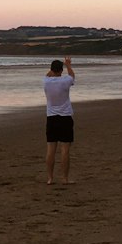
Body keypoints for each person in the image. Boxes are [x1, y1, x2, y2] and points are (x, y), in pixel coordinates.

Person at [43, 56, 75, 185]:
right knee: (65, 150)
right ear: (61, 70)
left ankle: (50, 178)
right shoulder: (65, 80)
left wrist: (55, 69)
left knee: (51, 150)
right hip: (65, 117)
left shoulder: (45, 81)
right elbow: (72, 76)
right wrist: (68, 65)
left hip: (51, 118)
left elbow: (48, 74)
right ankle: (64, 178)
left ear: (51, 69)